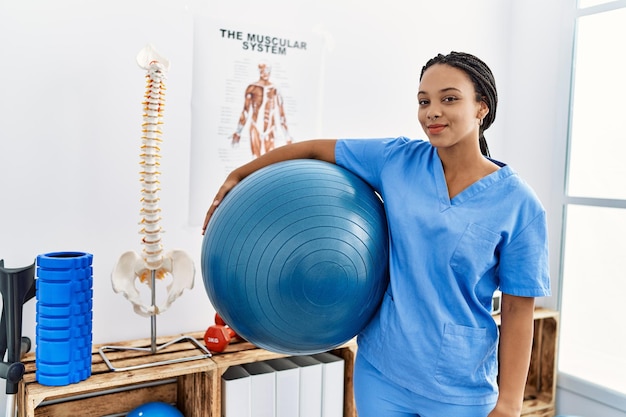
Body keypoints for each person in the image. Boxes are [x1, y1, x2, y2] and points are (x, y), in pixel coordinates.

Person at [203, 51, 550, 417]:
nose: (432, 111)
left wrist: (509, 404)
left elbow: (517, 308)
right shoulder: (397, 160)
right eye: (423, 101)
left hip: (458, 386)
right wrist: (239, 174)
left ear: (482, 107)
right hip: (381, 372)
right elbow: (314, 149)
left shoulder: (518, 204)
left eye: (449, 98)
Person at [231, 61, 292, 158]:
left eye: (267, 70)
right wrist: (238, 132)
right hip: (255, 126)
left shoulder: (275, 88)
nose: (265, 73)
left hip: (270, 128)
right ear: (259, 71)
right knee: (255, 158)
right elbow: (245, 111)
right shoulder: (252, 88)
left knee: (270, 160)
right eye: (263, 70)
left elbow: (281, 114)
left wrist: (287, 136)